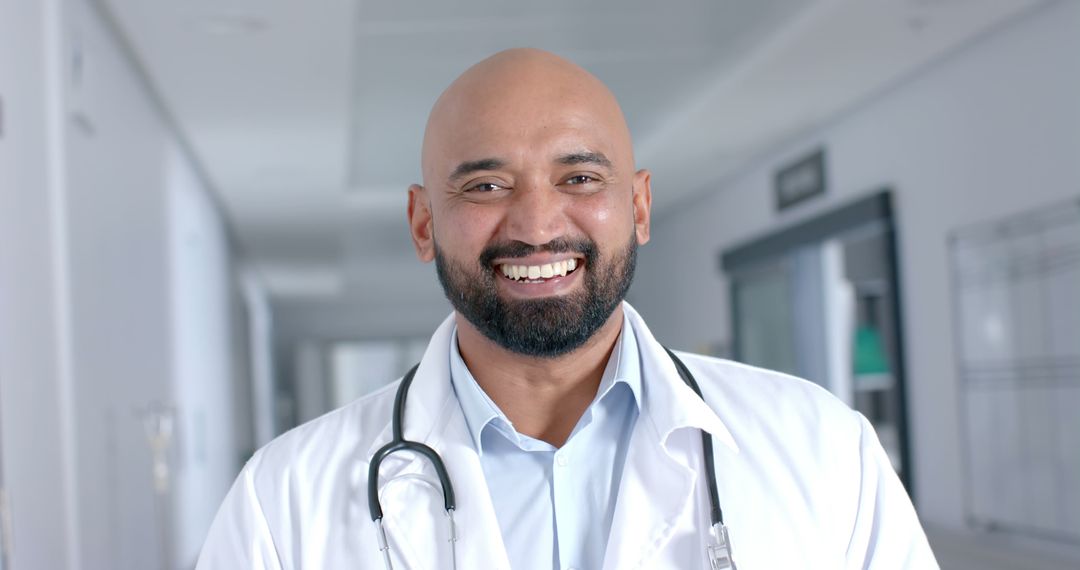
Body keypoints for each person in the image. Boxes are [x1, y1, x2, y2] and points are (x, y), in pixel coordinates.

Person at [196, 48, 938, 569]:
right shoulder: (284, 501)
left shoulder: (824, 454)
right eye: (485, 186)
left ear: (640, 205)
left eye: (580, 177)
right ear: (423, 223)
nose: (536, 225)